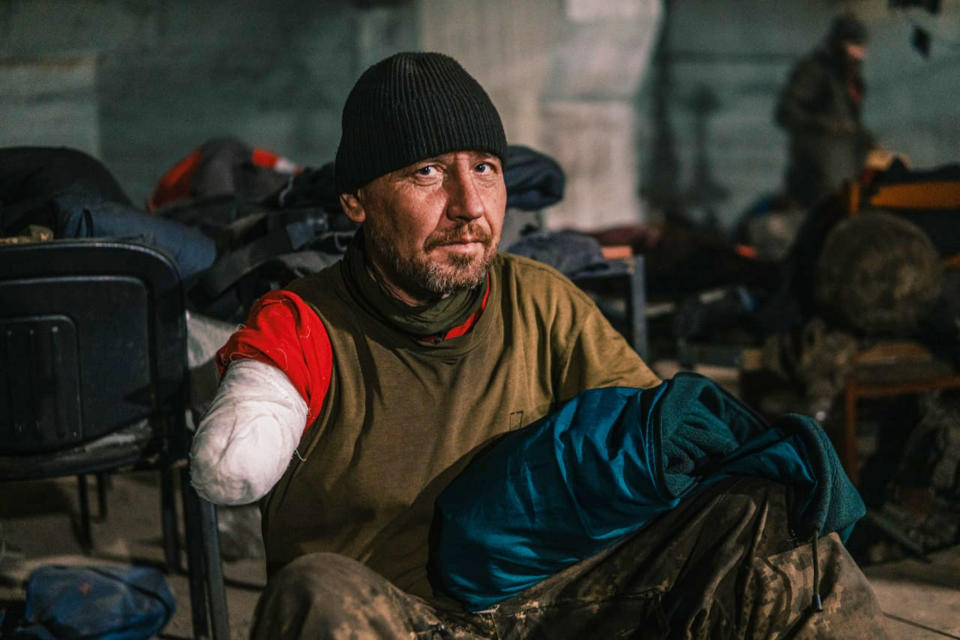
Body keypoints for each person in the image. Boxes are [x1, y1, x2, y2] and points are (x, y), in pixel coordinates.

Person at [190, 52, 890, 638]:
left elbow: (651, 446)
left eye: (485, 169)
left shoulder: (538, 297)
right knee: (315, 591)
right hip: (407, 622)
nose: (469, 205)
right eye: (428, 172)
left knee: (769, 524)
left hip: (557, 607)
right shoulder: (308, 321)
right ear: (357, 201)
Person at [775, 12, 876, 207]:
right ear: (841, 45)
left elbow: (852, 120)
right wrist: (825, 125)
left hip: (848, 163)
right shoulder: (814, 71)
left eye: (861, 48)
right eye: (855, 47)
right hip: (818, 167)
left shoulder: (848, 76)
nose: (860, 54)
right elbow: (785, 112)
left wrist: (870, 141)